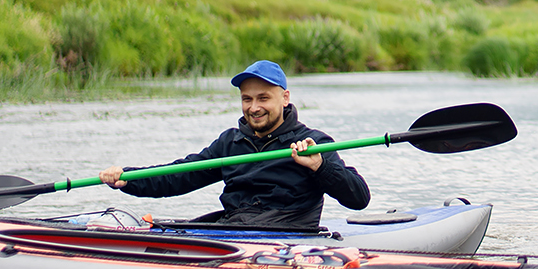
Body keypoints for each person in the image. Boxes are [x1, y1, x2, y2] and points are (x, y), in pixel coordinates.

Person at [98, 59, 371, 227]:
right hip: (235, 228)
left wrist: (320, 167)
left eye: (263, 98)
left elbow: (359, 198)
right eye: (247, 99)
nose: (254, 108)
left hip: (285, 236)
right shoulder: (231, 142)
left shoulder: (313, 143)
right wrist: (128, 179)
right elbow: (180, 175)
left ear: (285, 98)